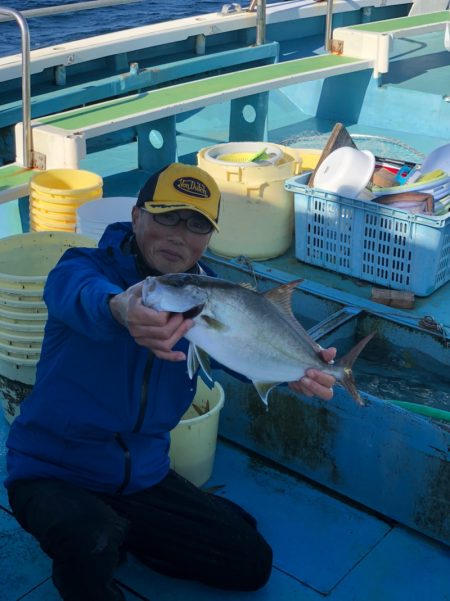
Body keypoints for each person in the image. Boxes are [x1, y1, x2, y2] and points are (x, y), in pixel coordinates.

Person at [5, 163, 337, 601]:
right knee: (90, 539)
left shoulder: (211, 296)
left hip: (142, 476)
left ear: (209, 237)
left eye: (198, 223)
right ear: (137, 216)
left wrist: (297, 371)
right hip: (51, 471)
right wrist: (119, 309)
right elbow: (77, 294)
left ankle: (124, 531)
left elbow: (240, 353)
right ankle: (96, 538)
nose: (181, 234)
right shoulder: (82, 267)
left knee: (249, 562)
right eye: (167, 216)